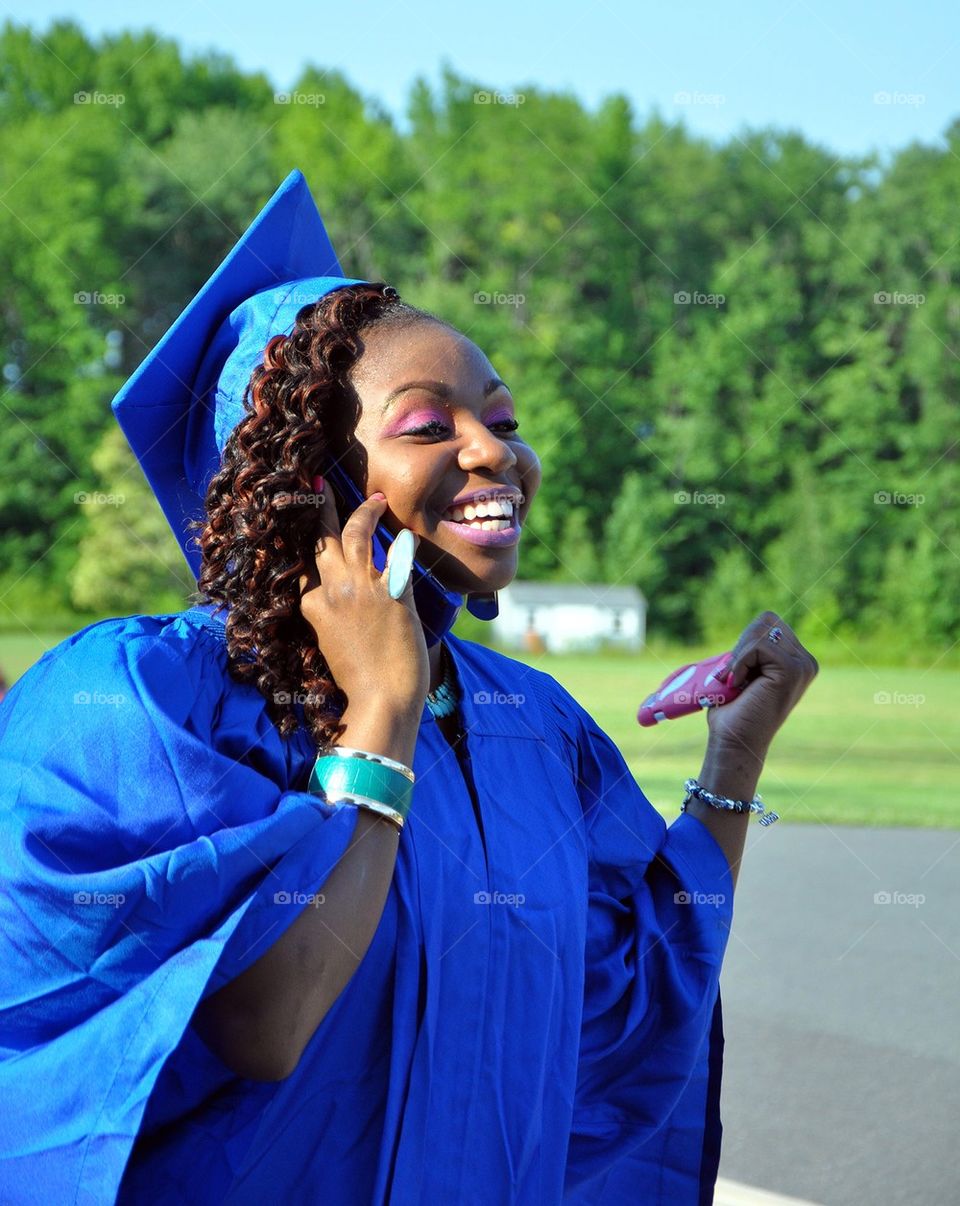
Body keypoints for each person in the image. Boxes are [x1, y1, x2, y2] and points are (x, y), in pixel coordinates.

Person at [0, 171, 818, 1205]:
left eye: (502, 418)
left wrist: (734, 756)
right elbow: (267, 1020)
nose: (496, 452)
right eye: (430, 426)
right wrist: (381, 716)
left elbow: (626, 1007)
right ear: (309, 475)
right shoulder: (153, 701)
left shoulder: (536, 728)